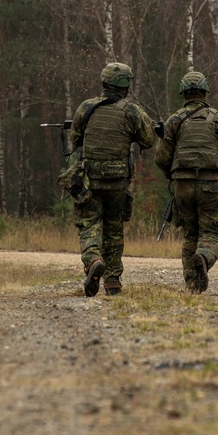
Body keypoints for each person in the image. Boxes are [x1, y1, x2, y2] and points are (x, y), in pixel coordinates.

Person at [67, 62, 156, 297]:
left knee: (89, 224)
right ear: (125, 85)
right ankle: (113, 279)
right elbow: (148, 141)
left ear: (104, 82)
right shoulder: (132, 111)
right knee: (114, 227)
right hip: (118, 180)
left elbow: (75, 138)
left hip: (90, 179)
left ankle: (93, 259)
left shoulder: (86, 108)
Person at [155, 71, 218, 293]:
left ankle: (192, 284)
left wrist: (173, 176)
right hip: (211, 183)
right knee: (216, 232)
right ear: (204, 92)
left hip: (182, 185)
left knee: (190, 234)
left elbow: (161, 157)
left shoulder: (174, 120)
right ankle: (204, 258)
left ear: (184, 93)